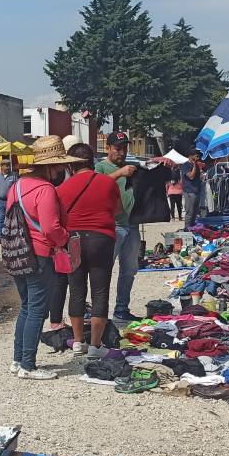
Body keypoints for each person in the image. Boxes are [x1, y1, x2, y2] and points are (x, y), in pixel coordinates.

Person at [7, 135, 71, 380]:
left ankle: (17, 359)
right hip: (39, 255)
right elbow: (50, 228)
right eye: (61, 165)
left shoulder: (18, 185)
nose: (63, 170)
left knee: (26, 308)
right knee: (37, 310)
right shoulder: (45, 189)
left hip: (17, 253)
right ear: (51, 166)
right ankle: (28, 365)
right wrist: (65, 238)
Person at [55, 142, 121, 359]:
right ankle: (95, 345)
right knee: (100, 290)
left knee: (76, 289)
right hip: (102, 239)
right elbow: (118, 210)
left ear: (70, 165)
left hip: (73, 239)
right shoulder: (107, 182)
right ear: (92, 161)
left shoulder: (62, 189)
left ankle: (78, 342)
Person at [94, 131, 139, 321]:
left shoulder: (133, 167)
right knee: (104, 271)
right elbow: (95, 185)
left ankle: (122, 309)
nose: (121, 153)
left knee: (129, 270)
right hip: (112, 227)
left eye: (125, 149)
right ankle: (99, 313)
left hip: (133, 225)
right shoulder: (101, 167)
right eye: (117, 149)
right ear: (108, 148)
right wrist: (120, 173)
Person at [182, 149, 205, 229]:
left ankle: (192, 228)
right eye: (195, 155)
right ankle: (187, 229)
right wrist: (195, 164)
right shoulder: (185, 165)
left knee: (195, 212)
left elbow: (198, 177)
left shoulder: (197, 165)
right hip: (189, 191)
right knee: (190, 212)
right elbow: (191, 176)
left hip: (196, 190)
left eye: (198, 155)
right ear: (190, 156)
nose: (197, 156)